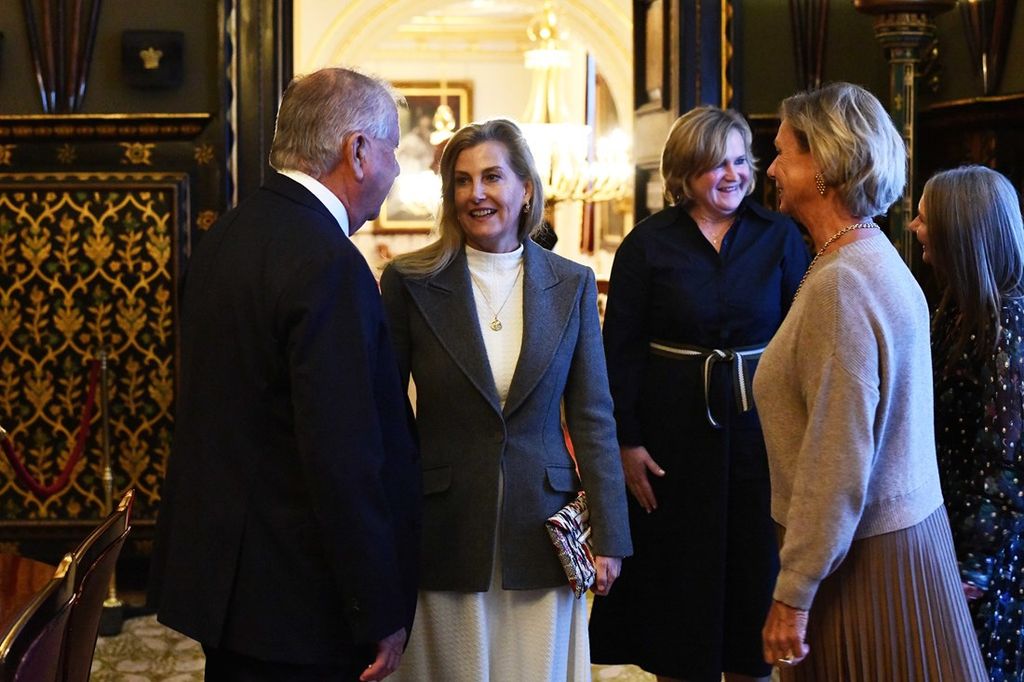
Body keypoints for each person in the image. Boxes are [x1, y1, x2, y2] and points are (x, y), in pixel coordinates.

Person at [148, 67, 421, 682]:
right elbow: (340, 453)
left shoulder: (229, 235)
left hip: (230, 583)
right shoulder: (327, 262)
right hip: (299, 600)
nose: (396, 170)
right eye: (392, 150)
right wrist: (374, 605)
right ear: (356, 150)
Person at [380, 118, 632, 682]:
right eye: (463, 181)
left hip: (541, 527)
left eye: (492, 177)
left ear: (525, 189)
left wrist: (611, 536)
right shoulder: (410, 281)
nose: (477, 194)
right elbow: (386, 417)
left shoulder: (571, 282)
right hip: (445, 526)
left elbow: (593, 417)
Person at [754, 82, 987, 680]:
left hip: (861, 565)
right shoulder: (870, 257)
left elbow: (836, 459)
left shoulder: (843, 282)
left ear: (825, 166)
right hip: (888, 544)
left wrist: (794, 592)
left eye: (784, 153)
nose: (772, 167)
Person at [588, 106, 810, 682]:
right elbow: (621, 352)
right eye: (716, 165)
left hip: (760, 438)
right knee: (679, 591)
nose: (733, 174)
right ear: (684, 174)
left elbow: (803, 342)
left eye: (741, 160)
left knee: (752, 580)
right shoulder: (646, 245)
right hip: (671, 442)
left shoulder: (781, 236)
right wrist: (627, 443)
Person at [911, 165, 1024, 680]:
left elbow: (1007, 460)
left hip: (982, 555)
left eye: (923, 218)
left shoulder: (1010, 322)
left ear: (960, 231)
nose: (914, 228)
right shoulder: (956, 307)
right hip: (947, 528)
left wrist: (973, 561)